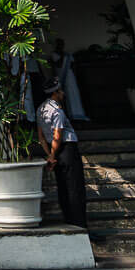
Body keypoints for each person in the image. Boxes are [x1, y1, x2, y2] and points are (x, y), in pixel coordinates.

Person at [38, 78, 87, 228]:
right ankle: (79, 224)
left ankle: (69, 220)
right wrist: (52, 155)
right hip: (66, 149)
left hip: (56, 151)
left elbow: (41, 136)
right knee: (75, 187)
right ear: (55, 93)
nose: (63, 93)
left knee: (63, 187)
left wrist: (50, 155)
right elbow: (57, 135)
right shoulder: (57, 111)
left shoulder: (41, 109)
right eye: (60, 91)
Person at [51, 39, 88, 121]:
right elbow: (58, 65)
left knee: (73, 93)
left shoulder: (68, 55)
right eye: (59, 44)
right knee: (64, 95)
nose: (61, 46)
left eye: (62, 44)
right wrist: (63, 56)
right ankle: (67, 115)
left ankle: (77, 113)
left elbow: (72, 65)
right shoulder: (54, 54)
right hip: (61, 76)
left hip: (70, 77)